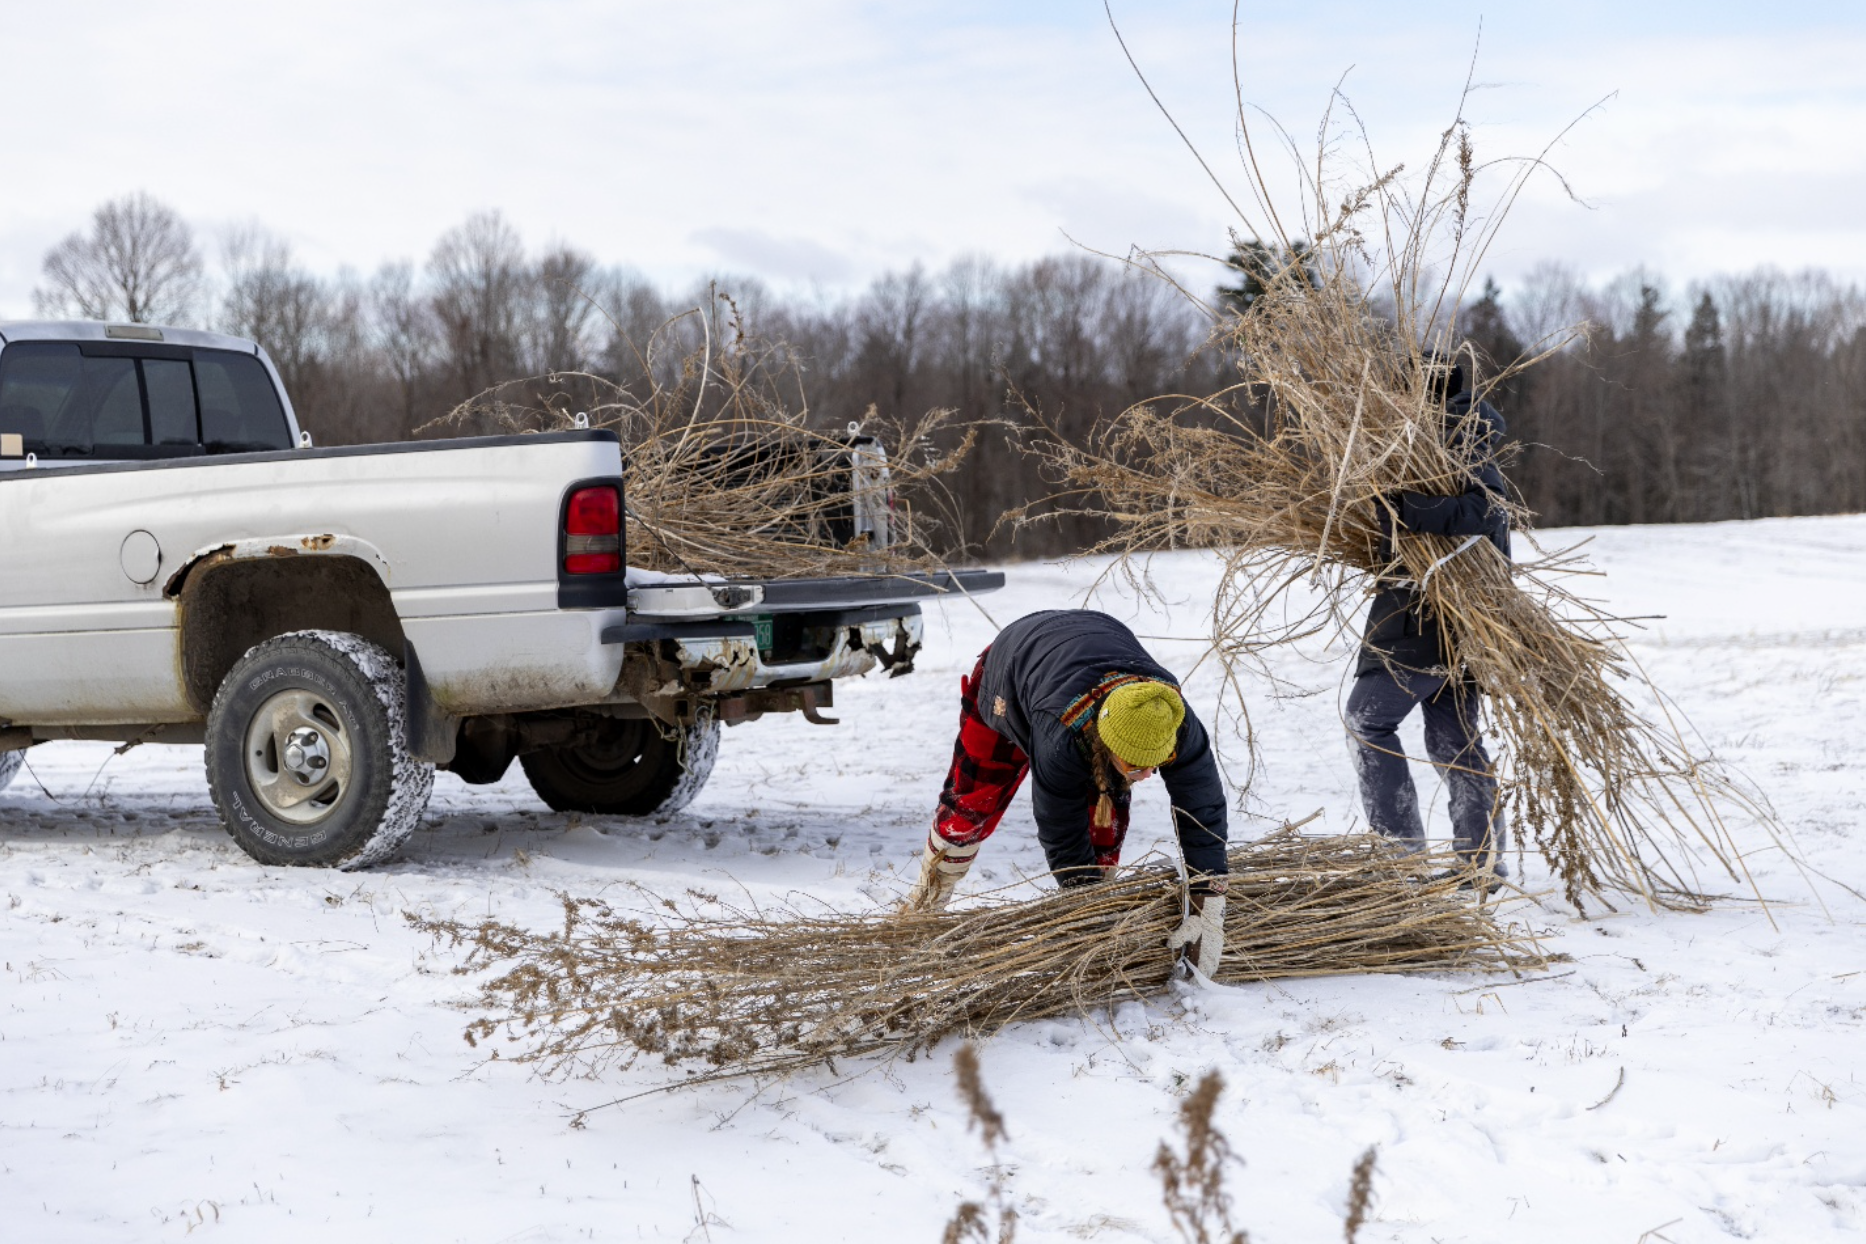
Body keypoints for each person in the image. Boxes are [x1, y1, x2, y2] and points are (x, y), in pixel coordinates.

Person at [903, 609, 1230, 976]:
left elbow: (1202, 807)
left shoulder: (1172, 719)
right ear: (1107, 744)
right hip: (1010, 673)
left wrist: (1209, 898)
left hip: (1078, 659)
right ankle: (925, 907)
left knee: (1103, 831)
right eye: (1137, 767)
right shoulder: (1064, 735)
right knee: (970, 809)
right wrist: (1081, 904)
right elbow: (1060, 826)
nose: (1149, 775)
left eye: (1157, 762)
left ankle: (1101, 913)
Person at [1346, 362, 1510, 881]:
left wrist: (1403, 508)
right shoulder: (1431, 441)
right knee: (1453, 743)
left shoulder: (1457, 435)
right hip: (1456, 623)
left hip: (1426, 617)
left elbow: (1485, 510)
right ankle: (1479, 862)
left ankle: (1401, 858)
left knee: (1367, 722)